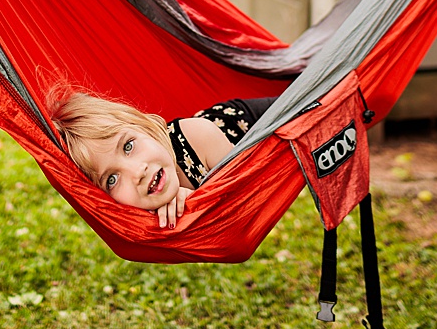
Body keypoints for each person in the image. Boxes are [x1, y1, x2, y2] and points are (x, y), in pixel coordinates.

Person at [48, 90, 276, 229]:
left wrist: (198, 200)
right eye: (112, 179)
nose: (137, 172)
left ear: (145, 127)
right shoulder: (133, 206)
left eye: (128, 146)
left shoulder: (199, 135)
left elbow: (249, 199)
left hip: (268, 122)